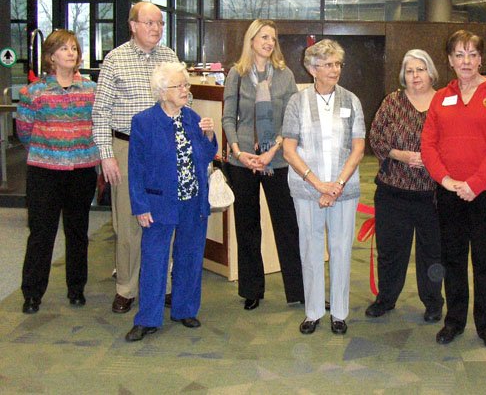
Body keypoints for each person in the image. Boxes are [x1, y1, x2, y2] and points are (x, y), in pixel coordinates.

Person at [421, 30, 486, 350]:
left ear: (480, 59)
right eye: (459, 55)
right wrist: (446, 180)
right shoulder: (440, 97)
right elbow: (428, 144)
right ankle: (454, 320)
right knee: (453, 258)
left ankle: (485, 324)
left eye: (472, 54)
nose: (466, 61)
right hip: (450, 191)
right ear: (449, 60)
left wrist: (475, 184)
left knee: (485, 259)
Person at [93, 1, 179, 314]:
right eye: (148, 23)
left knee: (163, 218)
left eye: (159, 23)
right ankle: (126, 287)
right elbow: (100, 112)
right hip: (126, 149)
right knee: (128, 223)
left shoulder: (169, 57)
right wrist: (107, 156)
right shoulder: (115, 59)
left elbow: (183, 97)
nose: (155, 29)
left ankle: (162, 284)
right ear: (133, 25)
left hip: (164, 149)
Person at [124, 62, 217, 342]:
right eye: (180, 86)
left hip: (192, 200)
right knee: (154, 261)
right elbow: (135, 168)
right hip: (159, 203)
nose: (186, 91)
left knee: (189, 257)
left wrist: (209, 136)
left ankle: (184, 309)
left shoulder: (192, 117)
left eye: (186, 85)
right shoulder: (143, 121)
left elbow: (205, 156)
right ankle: (148, 318)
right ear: (162, 91)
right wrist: (140, 205)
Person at [282, 39, 365, 335]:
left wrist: (337, 185)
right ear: (312, 68)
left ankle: (339, 313)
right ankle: (314, 311)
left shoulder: (351, 100)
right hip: (308, 190)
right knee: (311, 248)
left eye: (338, 64)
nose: (335, 69)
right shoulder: (297, 101)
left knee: (342, 248)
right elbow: (289, 149)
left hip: (344, 190)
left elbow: (358, 147)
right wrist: (319, 185)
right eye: (328, 64)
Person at [222, 19, 304, 310]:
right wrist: (238, 151)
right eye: (264, 37)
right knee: (247, 226)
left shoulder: (285, 75)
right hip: (241, 161)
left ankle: (298, 290)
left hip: (277, 161)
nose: (270, 42)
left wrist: (273, 150)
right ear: (252, 40)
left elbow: (293, 119)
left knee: (287, 226)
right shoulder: (237, 74)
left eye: (273, 38)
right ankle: (252, 290)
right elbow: (228, 117)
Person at [16, 30, 99, 314]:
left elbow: (97, 127)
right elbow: (24, 131)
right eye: (64, 49)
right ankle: (32, 294)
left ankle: (76, 289)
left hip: (81, 170)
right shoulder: (34, 92)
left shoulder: (90, 89)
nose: (71, 53)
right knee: (41, 233)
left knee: (77, 231)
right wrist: (49, 150)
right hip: (44, 172)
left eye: (74, 48)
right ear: (51, 57)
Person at [366, 49, 444, 322]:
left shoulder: (445, 102)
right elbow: (375, 138)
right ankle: (386, 298)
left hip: (433, 195)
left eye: (420, 69)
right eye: (409, 71)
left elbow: (456, 142)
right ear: (403, 76)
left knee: (432, 254)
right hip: (393, 192)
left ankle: (433, 302)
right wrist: (401, 155)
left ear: (431, 72)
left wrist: (434, 158)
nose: (415, 76)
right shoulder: (392, 102)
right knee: (391, 250)